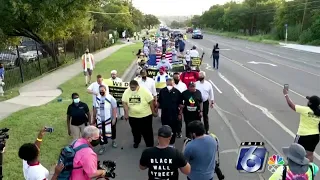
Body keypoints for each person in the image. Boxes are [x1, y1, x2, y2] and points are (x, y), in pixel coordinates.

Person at [283, 87, 320, 162]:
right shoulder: (319, 112)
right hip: (315, 136)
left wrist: (286, 95)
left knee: (295, 152)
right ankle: (309, 170)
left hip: (303, 135)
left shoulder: (305, 110)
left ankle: (294, 168)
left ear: (310, 103)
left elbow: (291, 105)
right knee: (310, 154)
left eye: (309, 100)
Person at [122, 80, 157, 148]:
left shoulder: (144, 91)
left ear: (137, 86)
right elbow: (124, 102)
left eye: (133, 87)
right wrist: (126, 114)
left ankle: (149, 144)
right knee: (135, 131)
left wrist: (153, 112)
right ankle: (136, 141)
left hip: (145, 116)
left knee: (147, 131)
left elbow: (151, 101)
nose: (132, 89)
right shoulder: (127, 91)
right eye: (131, 87)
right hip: (133, 116)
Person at [158, 77, 182, 147]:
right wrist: (156, 110)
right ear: (166, 83)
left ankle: (172, 143)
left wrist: (180, 114)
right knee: (165, 128)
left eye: (170, 82)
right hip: (165, 114)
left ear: (173, 83)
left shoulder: (177, 92)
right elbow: (159, 102)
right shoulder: (162, 91)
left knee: (173, 129)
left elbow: (180, 104)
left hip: (174, 114)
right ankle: (165, 142)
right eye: (168, 82)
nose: (169, 83)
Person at [93, 85, 118, 153]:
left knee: (113, 131)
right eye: (100, 91)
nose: (101, 92)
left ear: (105, 90)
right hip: (100, 120)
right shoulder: (97, 98)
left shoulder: (110, 98)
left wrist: (114, 118)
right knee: (100, 133)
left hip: (109, 119)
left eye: (102, 90)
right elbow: (95, 108)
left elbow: (114, 108)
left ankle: (113, 141)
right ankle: (102, 147)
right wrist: (94, 118)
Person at [173, 72, 187, 138]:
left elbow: (186, 95)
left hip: (181, 105)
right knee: (173, 119)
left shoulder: (183, 85)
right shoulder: (172, 85)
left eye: (177, 77)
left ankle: (179, 131)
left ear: (179, 77)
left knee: (179, 119)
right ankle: (174, 131)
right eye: (175, 77)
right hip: (173, 104)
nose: (176, 78)